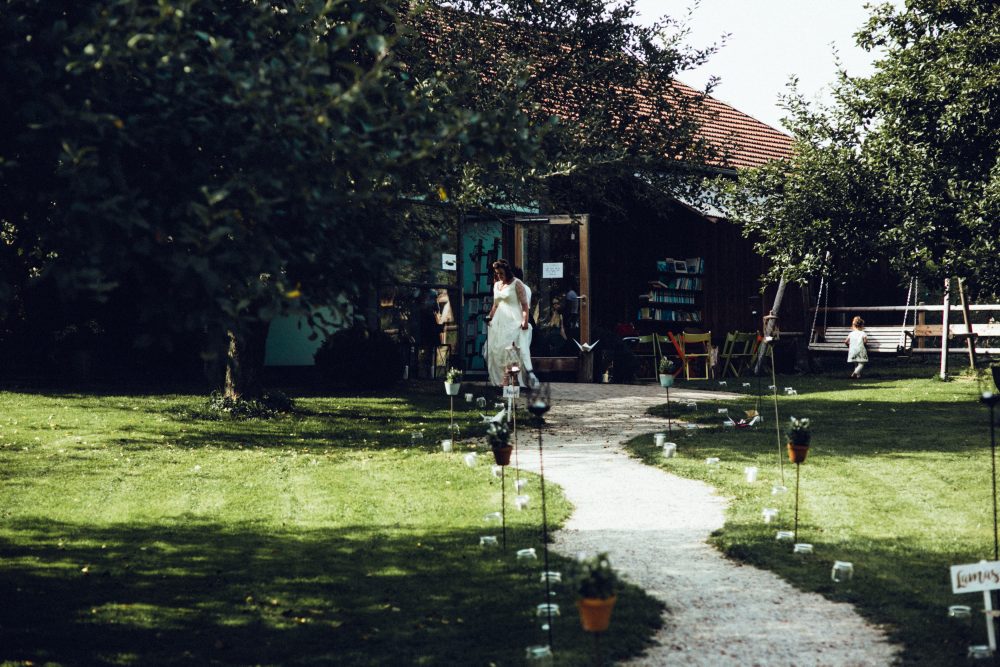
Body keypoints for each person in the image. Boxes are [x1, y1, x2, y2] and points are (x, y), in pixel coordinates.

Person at [485, 259, 536, 388]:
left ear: (507, 271)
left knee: (511, 349)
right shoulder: (497, 285)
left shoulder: (517, 283)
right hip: (499, 321)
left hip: (513, 319)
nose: (499, 276)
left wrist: (525, 321)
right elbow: (495, 304)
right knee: (497, 350)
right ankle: (501, 379)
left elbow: (525, 305)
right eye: (497, 273)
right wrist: (490, 317)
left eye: (501, 273)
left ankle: (509, 379)